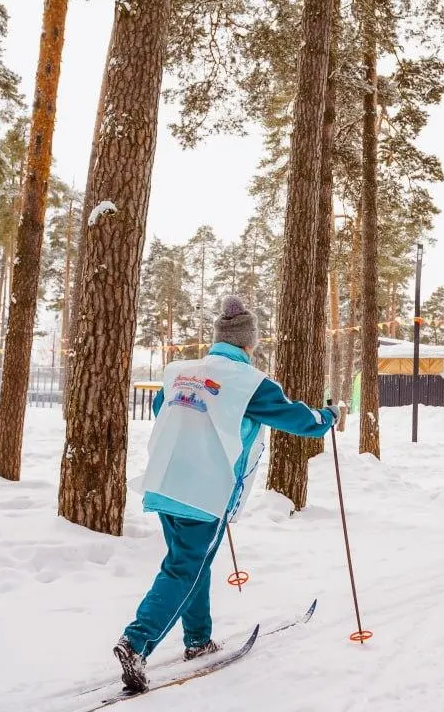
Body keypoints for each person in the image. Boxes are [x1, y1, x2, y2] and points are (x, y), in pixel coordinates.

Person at [113, 296, 340, 693]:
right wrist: (328, 416)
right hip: (203, 492)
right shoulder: (250, 383)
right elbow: (303, 423)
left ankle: (198, 640)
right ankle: (136, 641)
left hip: (165, 482)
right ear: (248, 344)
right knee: (185, 569)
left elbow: (163, 408)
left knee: (191, 563)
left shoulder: (179, 372)